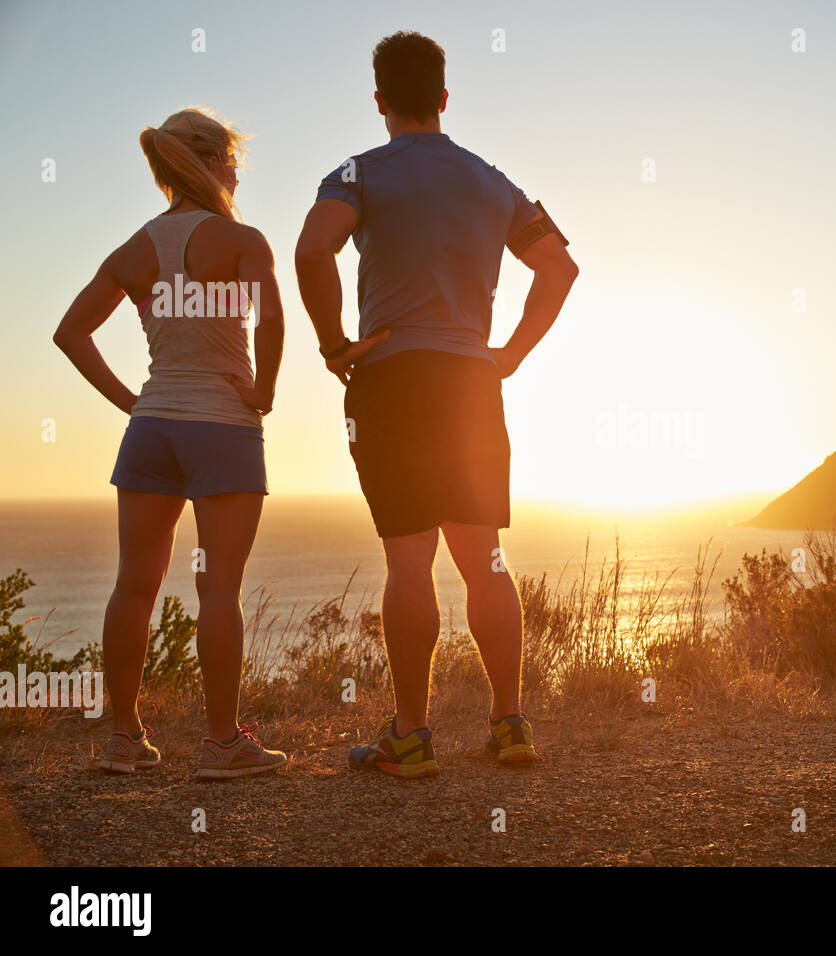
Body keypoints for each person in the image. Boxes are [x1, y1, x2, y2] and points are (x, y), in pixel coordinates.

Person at [295, 32, 578, 778]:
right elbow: (560, 265)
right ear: (445, 99)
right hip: (470, 382)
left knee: (409, 563)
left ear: (381, 101)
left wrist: (333, 345)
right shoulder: (492, 182)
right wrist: (510, 354)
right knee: (486, 560)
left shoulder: (357, 174)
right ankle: (511, 726)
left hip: (391, 378)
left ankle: (412, 738)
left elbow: (311, 250)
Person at [53, 107, 288, 779]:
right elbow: (271, 320)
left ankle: (124, 740)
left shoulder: (134, 249)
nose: (237, 171)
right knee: (218, 588)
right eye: (233, 160)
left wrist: (135, 402)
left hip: (152, 428)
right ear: (212, 164)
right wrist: (264, 390)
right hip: (223, 425)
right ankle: (221, 746)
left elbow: (71, 332)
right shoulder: (241, 240)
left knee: (134, 586)